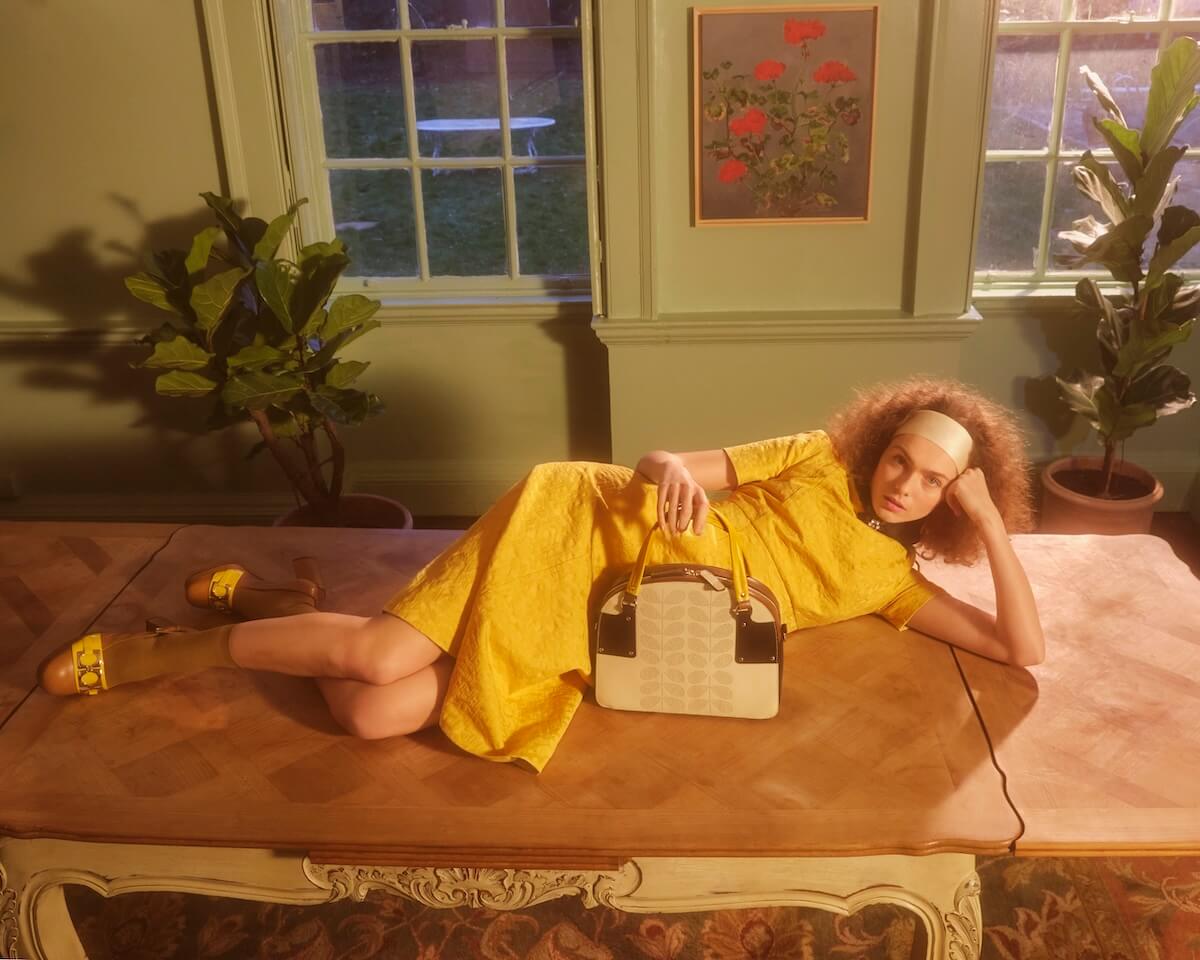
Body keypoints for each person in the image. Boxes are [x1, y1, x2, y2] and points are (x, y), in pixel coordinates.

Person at [38, 376, 1044, 773]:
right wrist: (674, 479)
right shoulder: (816, 457)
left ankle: (274, 603)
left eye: (938, 479)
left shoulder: (889, 581)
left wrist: (993, 523)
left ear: (960, 492)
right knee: (377, 653)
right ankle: (160, 653)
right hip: (579, 522)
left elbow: (1019, 650)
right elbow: (666, 463)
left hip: (625, 620)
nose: (908, 481)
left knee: (370, 712)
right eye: (903, 457)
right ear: (881, 442)